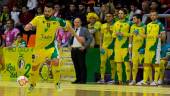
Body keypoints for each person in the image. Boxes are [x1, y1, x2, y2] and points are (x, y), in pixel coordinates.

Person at [24, 2, 66, 91]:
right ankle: (32, 84)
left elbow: (66, 26)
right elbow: (30, 24)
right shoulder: (38, 18)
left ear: (53, 11)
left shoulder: (58, 20)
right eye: (45, 11)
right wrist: (28, 26)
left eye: (48, 11)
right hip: (39, 49)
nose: (46, 13)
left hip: (51, 47)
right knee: (34, 67)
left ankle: (57, 83)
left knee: (55, 62)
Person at [137, 11, 166, 86]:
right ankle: (145, 80)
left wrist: (161, 37)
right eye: (151, 15)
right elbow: (146, 36)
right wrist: (139, 34)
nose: (153, 16)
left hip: (156, 47)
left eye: (154, 15)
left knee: (156, 64)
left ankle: (156, 81)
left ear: (157, 16)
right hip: (148, 48)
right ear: (150, 16)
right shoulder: (148, 25)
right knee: (146, 64)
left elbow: (164, 37)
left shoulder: (160, 25)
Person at [68, 18, 92, 84]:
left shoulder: (84, 29)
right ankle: (78, 79)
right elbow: (69, 38)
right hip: (73, 49)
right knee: (76, 65)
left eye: (78, 22)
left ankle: (83, 80)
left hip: (80, 49)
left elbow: (90, 38)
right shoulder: (72, 30)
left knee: (82, 65)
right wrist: (69, 45)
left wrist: (84, 46)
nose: (76, 23)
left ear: (81, 23)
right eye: (75, 22)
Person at [112, 8, 131, 84]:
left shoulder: (129, 23)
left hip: (125, 46)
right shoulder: (115, 23)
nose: (120, 15)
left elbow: (132, 34)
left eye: (121, 13)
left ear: (125, 15)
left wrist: (124, 34)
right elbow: (113, 35)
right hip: (117, 46)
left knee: (126, 63)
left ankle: (128, 80)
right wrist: (116, 34)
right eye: (119, 13)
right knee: (118, 64)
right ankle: (120, 80)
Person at [97, 12, 116, 84]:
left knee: (112, 63)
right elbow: (101, 37)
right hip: (104, 47)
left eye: (109, 16)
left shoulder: (115, 25)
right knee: (102, 63)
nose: (108, 18)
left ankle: (113, 79)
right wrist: (100, 47)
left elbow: (115, 37)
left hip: (112, 47)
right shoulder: (103, 25)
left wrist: (110, 30)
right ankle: (102, 79)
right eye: (107, 16)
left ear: (112, 17)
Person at [129, 14, 146, 85]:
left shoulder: (145, 26)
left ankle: (146, 80)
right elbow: (130, 37)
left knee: (145, 65)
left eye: (134, 18)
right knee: (134, 65)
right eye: (132, 19)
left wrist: (144, 48)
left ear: (139, 19)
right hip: (134, 49)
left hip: (142, 48)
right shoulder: (132, 26)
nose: (133, 20)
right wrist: (130, 45)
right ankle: (133, 80)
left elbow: (146, 37)